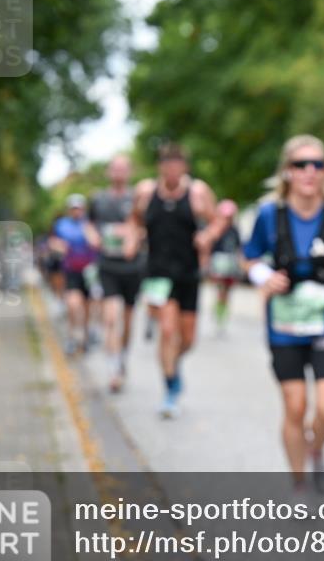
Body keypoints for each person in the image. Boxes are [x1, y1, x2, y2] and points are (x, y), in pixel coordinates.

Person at [242, 135, 324, 496]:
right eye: (301, 164)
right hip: (284, 325)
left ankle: (315, 448)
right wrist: (263, 276)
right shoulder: (269, 214)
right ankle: (300, 483)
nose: (309, 171)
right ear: (287, 171)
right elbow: (249, 257)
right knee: (295, 407)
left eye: (318, 164)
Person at [126, 143, 224, 418]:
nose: (171, 169)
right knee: (168, 331)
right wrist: (133, 239)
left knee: (188, 339)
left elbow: (217, 221)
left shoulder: (197, 192)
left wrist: (207, 236)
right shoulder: (146, 192)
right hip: (157, 273)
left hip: (188, 274)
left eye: (176, 164)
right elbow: (134, 220)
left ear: (184, 167)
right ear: (160, 166)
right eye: (166, 163)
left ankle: (173, 364)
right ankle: (170, 387)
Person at [90, 154, 145, 393]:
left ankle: (122, 357)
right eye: (115, 168)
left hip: (133, 267)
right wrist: (93, 237)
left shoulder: (137, 199)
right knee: (111, 318)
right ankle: (113, 369)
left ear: (130, 172)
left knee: (128, 321)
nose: (119, 173)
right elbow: (89, 223)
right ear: (108, 172)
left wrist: (134, 237)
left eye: (123, 169)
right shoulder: (98, 198)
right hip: (108, 266)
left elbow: (145, 226)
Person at [50, 195, 99, 356]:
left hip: (89, 272)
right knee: (72, 304)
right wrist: (59, 247)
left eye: (79, 208)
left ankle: (85, 337)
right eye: (73, 208)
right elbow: (53, 242)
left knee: (87, 307)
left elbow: (96, 243)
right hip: (71, 270)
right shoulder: (61, 225)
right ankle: (71, 336)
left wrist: (89, 231)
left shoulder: (89, 224)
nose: (76, 211)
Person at [207, 199, 242, 336]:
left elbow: (238, 248)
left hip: (230, 265)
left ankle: (222, 317)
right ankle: (218, 316)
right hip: (218, 264)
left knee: (226, 294)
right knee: (220, 292)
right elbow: (210, 247)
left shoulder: (234, 230)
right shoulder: (216, 229)